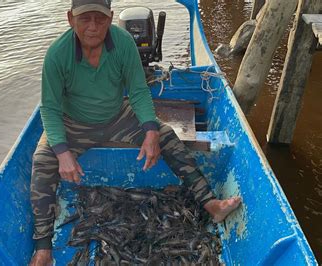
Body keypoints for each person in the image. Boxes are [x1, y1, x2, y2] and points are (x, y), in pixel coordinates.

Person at [29, 0, 241, 264]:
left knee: (166, 136)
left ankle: (211, 204)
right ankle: (43, 249)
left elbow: (139, 91)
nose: (93, 27)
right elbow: (49, 109)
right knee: (42, 161)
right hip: (73, 123)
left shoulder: (124, 43)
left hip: (118, 115)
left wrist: (151, 131)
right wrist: (61, 152)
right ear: (71, 19)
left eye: (100, 19)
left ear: (110, 19)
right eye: (85, 19)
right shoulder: (57, 55)